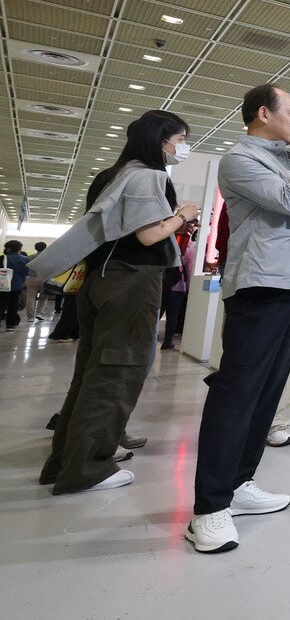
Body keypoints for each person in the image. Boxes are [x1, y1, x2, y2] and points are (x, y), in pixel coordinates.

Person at [188, 84, 290, 553]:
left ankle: (238, 484)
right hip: (258, 286)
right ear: (263, 113)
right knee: (237, 395)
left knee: (267, 392)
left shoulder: (287, 161)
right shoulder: (239, 159)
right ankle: (208, 509)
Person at [29, 110, 198, 493]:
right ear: (160, 141)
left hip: (100, 280)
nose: (182, 148)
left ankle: (63, 462)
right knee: (117, 373)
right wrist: (182, 215)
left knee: (91, 374)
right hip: (131, 282)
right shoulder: (150, 175)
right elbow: (149, 235)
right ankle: (87, 468)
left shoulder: (112, 175)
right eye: (180, 140)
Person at [160, 222, 198, 350]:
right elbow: (189, 269)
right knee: (173, 315)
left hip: (161, 283)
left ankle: (149, 337)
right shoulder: (189, 246)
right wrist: (190, 290)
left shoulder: (166, 241)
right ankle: (167, 341)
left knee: (157, 312)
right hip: (178, 285)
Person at [3, 241, 29, 331]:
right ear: (20, 249)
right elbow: (27, 273)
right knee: (13, 304)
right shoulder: (25, 259)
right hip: (17, 285)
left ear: (8, 248)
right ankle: (10, 325)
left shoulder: (3, 258)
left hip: (3, 285)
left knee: (2, 303)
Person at [24, 242, 47, 321]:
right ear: (45, 248)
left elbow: (25, 268)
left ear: (35, 248)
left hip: (31, 278)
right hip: (44, 278)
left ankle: (30, 317)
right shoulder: (48, 257)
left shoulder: (29, 257)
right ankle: (39, 313)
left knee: (30, 297)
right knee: (43, 297)